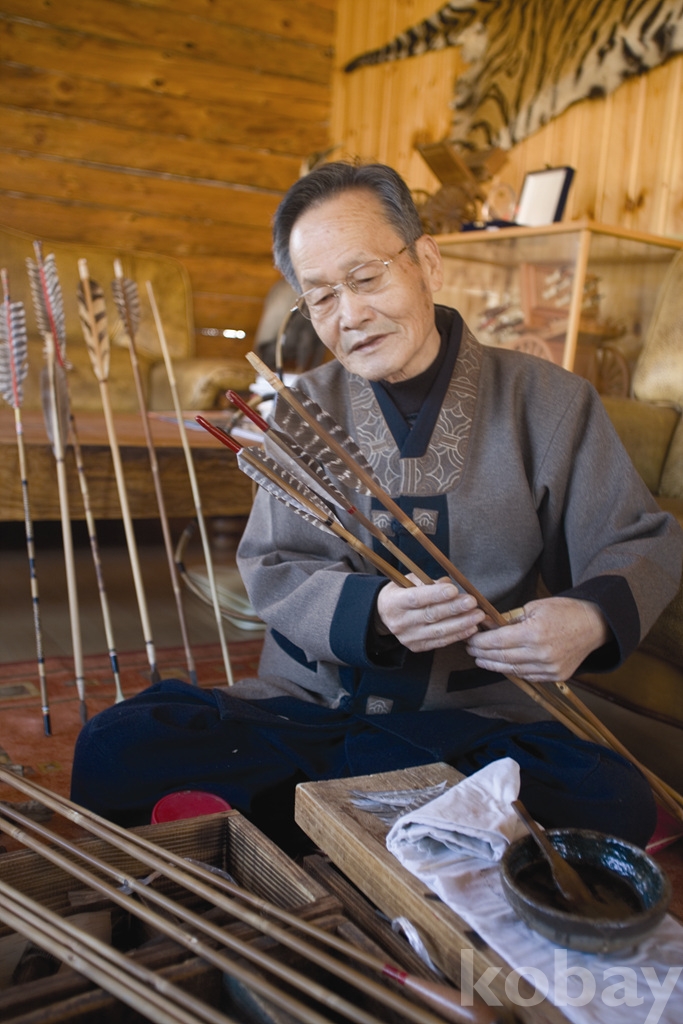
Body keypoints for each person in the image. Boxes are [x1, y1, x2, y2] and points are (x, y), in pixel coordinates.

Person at [71, 162, 683, 852]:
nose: (350, 315)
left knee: (610, 798)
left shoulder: (548, 400)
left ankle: (303, 826)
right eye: (321, 297)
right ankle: (422, 834)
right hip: (312, 712)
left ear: (427, 263)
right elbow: (274, 565)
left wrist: (588, 618)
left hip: (471, 725)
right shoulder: (300, 409)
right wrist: (373, 612)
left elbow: (640, 539)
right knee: (114, 748)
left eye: (365, 278)